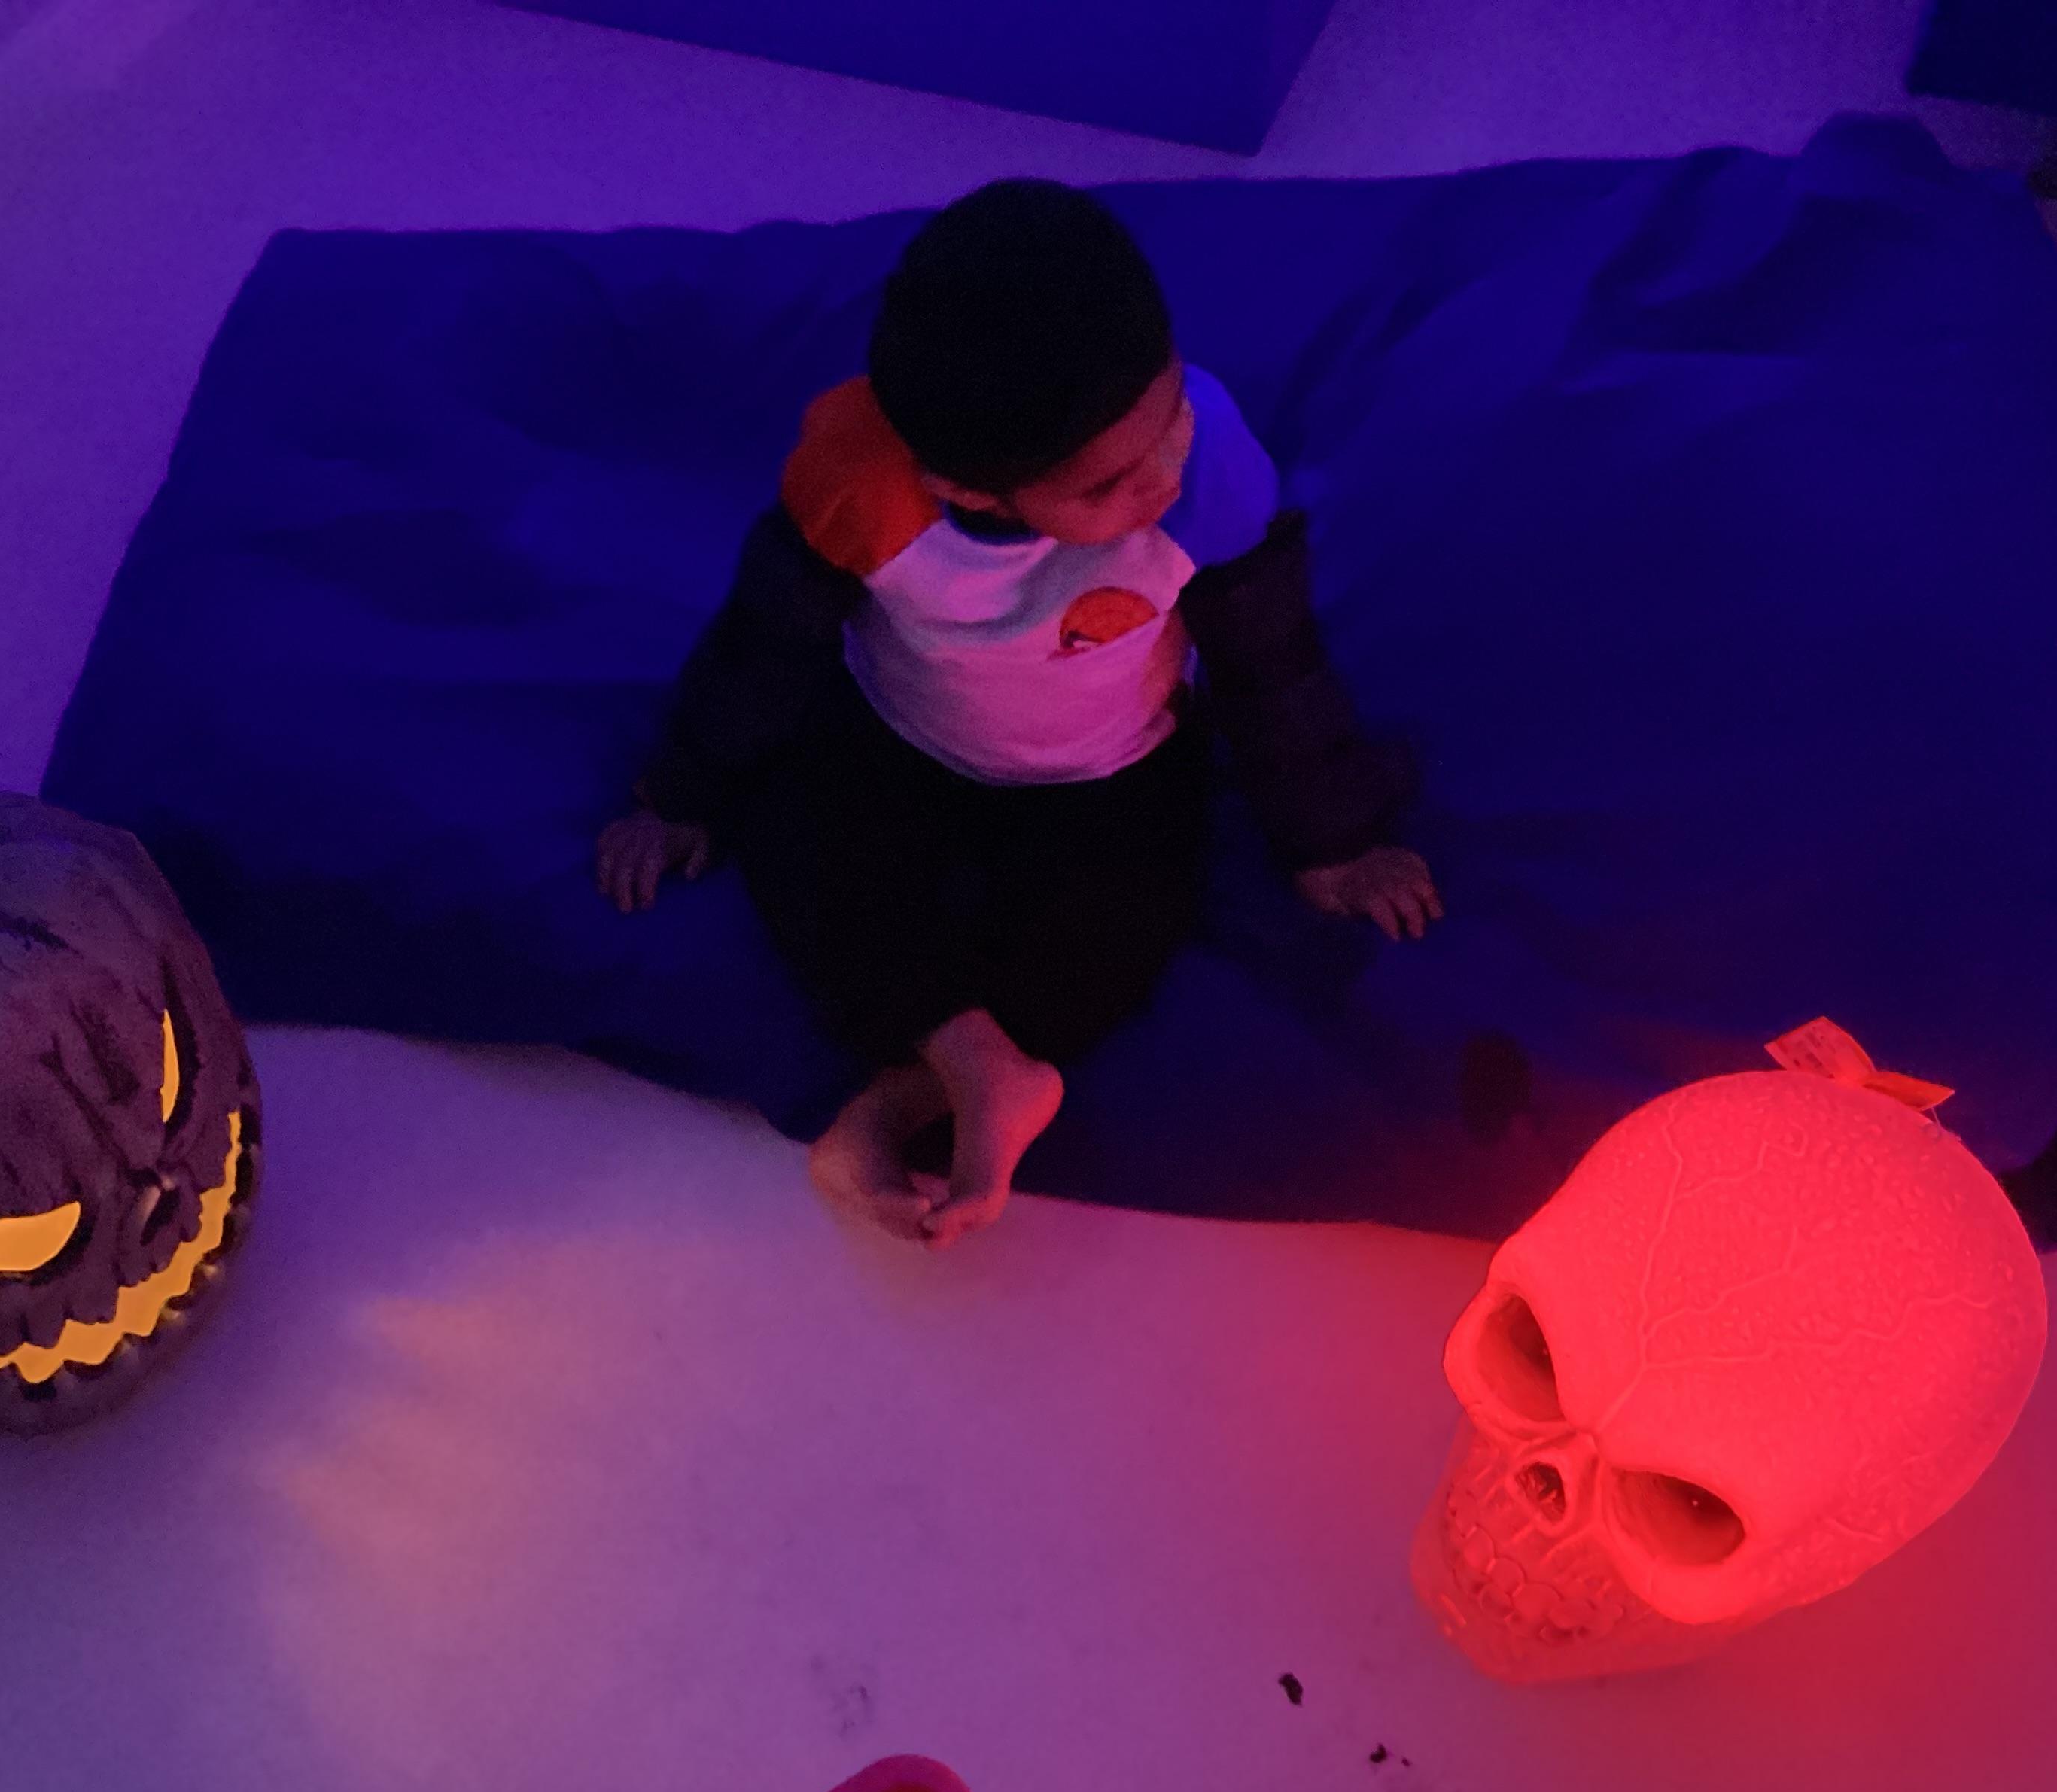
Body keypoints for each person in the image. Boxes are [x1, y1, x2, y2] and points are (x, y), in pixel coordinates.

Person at [596, 179, 1437, 1246]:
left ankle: (917, 1091)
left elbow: (1273, 664)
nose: (1164, 479)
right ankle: (971, 1057)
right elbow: (765, 643)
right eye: (1107, 487)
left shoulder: (1212, 474)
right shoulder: (866, 495)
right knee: (805, 851)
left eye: (1172, 419)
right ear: (971, 493)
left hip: (1114, 767)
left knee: (1120, 930)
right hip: (900, 737)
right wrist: (680, 791)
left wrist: (1334, 842)